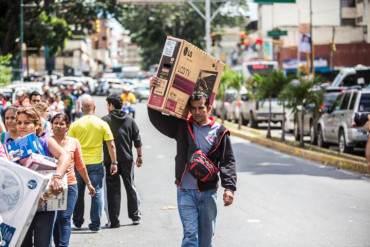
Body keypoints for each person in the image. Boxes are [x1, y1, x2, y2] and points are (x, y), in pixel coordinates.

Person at [148, 77, 237, 247]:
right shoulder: (182, 127)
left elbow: (228, 161)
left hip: (208, 193)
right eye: (193, 108)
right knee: (190, 236)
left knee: (205, 240)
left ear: (209, 108)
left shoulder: (220, 132)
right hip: (185, 192)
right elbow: (156, 118)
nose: (196, 112)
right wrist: (153, 92)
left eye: (200, 108)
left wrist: (229, 188)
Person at [14, 107, 69, 247]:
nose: (22, 126)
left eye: (27, 123)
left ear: (37, 125)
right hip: (21, 206)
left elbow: (65, 156)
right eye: (19, 122)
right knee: (22, 244)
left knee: (42, 244)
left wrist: (57, 177)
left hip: (45, 203)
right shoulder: (10, 146)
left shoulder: (45, 141)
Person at [68, 94, 118, 232]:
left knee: (78, 193)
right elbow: (111, 145)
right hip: (96, 163)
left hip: (78, 164)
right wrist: (114, 162)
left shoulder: (75, 125)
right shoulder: (102, 123)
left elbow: (69, 146)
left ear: (81, 108)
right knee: (97, 192)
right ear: (94, 108)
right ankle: (95, 224)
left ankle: (77, 222)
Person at [51, 113, 96, 247]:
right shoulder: (47, 141)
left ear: (68, 126)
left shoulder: (74, 142)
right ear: (51, 125)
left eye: (62, 123)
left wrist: (88, 183)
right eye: (55, 123)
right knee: (55, 219)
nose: (58, 126)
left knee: (65, 218)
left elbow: (80, 165)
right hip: (52, 186)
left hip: (70, 185)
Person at [102, 94, 143, 228]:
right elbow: (137, 140)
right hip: (127, 160)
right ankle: (135, 216)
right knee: (130, 186)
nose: (107, 107)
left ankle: (114, 221)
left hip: (110, 161)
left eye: (107, 104)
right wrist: (140, 156)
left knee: (112, 190)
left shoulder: (105, 120)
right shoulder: (130, 120)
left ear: (111, 105)